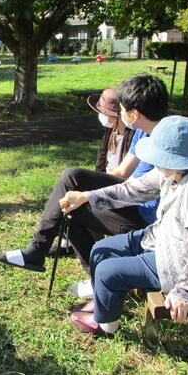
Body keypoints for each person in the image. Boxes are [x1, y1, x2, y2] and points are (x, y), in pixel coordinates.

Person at [64, 116, 188, 336]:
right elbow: (132, 190)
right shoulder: (173, 172)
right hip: (165, 240)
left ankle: (106, 325)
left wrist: (186, 293)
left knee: (107, 271)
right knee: (102, 250)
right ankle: (103, 302)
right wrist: (86, 197)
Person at [0, 74, 168, 299]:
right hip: (131, 200)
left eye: (123, 109)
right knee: (68, 205)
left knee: (72, 179)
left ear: (134, 113)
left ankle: (39, 251)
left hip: (145, 220)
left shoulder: (167, 141)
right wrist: (88, 190)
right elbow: (120, 173)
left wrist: (89, 195)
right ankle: (89, 275)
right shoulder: (144, 132)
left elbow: (138, 191)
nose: (120, 115)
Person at [48, 86, 134, 258]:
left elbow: (125, 174)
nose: (101, 115)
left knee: (74, 188)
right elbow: (101, 161)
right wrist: (93, 180)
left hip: (121, 188)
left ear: (118, 114)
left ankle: (54, 242)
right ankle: (67, 242)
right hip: (107, 180)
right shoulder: (111, 130)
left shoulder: (133, 135)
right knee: (70, 191)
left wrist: (93, 188)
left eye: (104, 112)